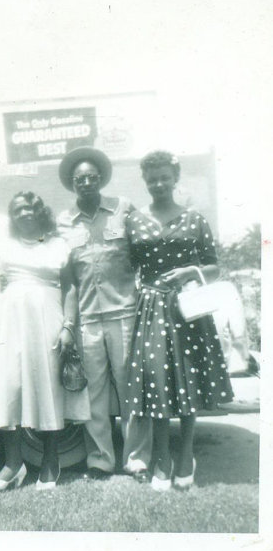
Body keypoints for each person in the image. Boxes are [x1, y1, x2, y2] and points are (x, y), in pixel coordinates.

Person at [125, 150, 233, 490]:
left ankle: (185, 455)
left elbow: (215, 267)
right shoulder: (135, 221)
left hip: (188, 308)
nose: (158, 183)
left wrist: (193, 270)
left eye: (164, 177)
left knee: (188, 380)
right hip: (152, 307)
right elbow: (128, 268)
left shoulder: (194, 219)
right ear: (145, 181)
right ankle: (162, 459)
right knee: (157, 383)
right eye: (152, 178)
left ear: (175, 178)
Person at [56, 147, 152, 482]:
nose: (85, 182)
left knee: (130, 387)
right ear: (72, 183)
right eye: (79, 178)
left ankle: (137, 460)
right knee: (93, 392)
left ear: (100, 179)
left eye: (91, 177)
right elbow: (66, 277)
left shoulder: (123, 209)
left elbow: (145, 254)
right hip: (87, 319)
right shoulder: (63, 222)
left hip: (125, 312)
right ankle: (100, 460)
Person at [0, 191, 90, 491]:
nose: (26, 213)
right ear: (12, 215)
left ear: (40, 211)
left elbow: (70, 287)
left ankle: (50, 461)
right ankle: (13, 465)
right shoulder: (2, 246)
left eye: (31, 207)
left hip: (48, 315)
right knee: (11, 386)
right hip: (10, 319)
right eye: (19, 209)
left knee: (48, 386)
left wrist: (69, 326)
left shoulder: (57, 244)